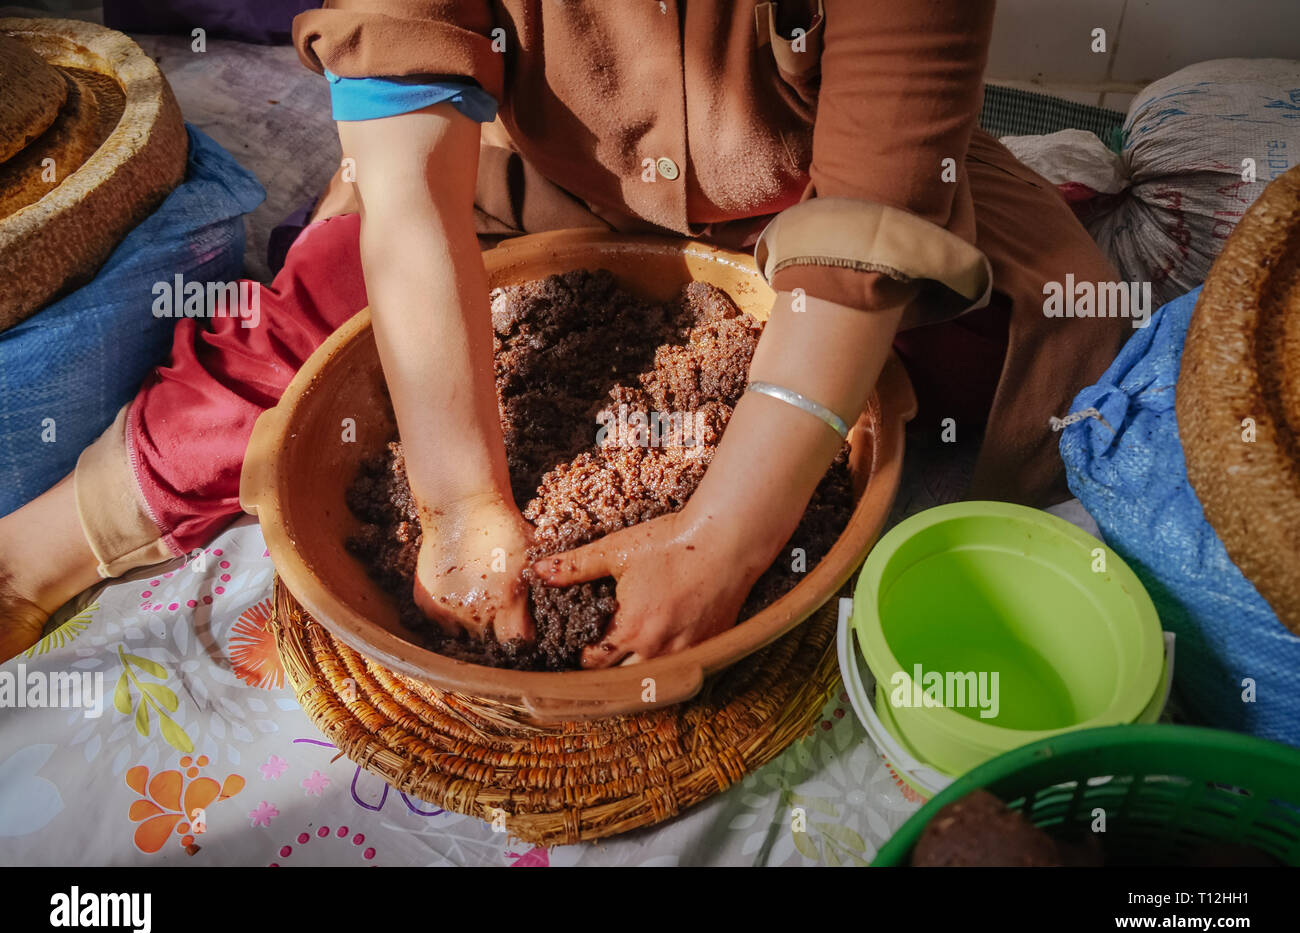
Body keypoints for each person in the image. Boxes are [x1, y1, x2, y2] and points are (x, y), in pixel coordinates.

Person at [0, 1, 1128, 666]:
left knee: (1045, 351)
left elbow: (866, 238)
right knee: (317, 314)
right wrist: (455, 498)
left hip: (812, 204)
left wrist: (721, 541)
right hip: (532, 185)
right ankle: (47, 544)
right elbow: (410, 188)